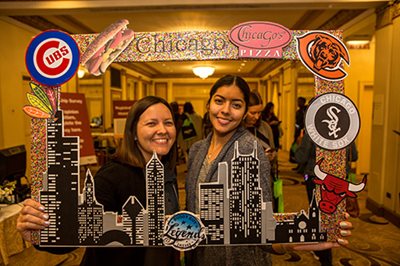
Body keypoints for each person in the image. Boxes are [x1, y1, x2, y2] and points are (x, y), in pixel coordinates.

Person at [185, 75, 352, 266]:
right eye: (219, 101)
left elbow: (262, 223)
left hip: (238, 259)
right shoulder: (197, 150)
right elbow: (192, 207)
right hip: (199, 256)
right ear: (208, 104)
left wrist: (292, 240)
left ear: (245, 111)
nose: (225, 110)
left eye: (236, 105)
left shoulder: (250, 150)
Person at [17, 96, 180, 266]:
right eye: (151, 124)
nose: (162, 130)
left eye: (168, 123)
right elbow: (79, 229)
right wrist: (38, 235)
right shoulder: (113, 176)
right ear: (134, 133)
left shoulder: (166, 169)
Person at [294, 132, 358, 266]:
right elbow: (354, 156)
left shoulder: (313, 129)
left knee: (319, 215)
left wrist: (300, 141)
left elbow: (300, 157)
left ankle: (325, 257)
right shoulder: (346, 129)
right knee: (331, 215)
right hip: (338, 179)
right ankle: (324, 252)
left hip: (315, 178)